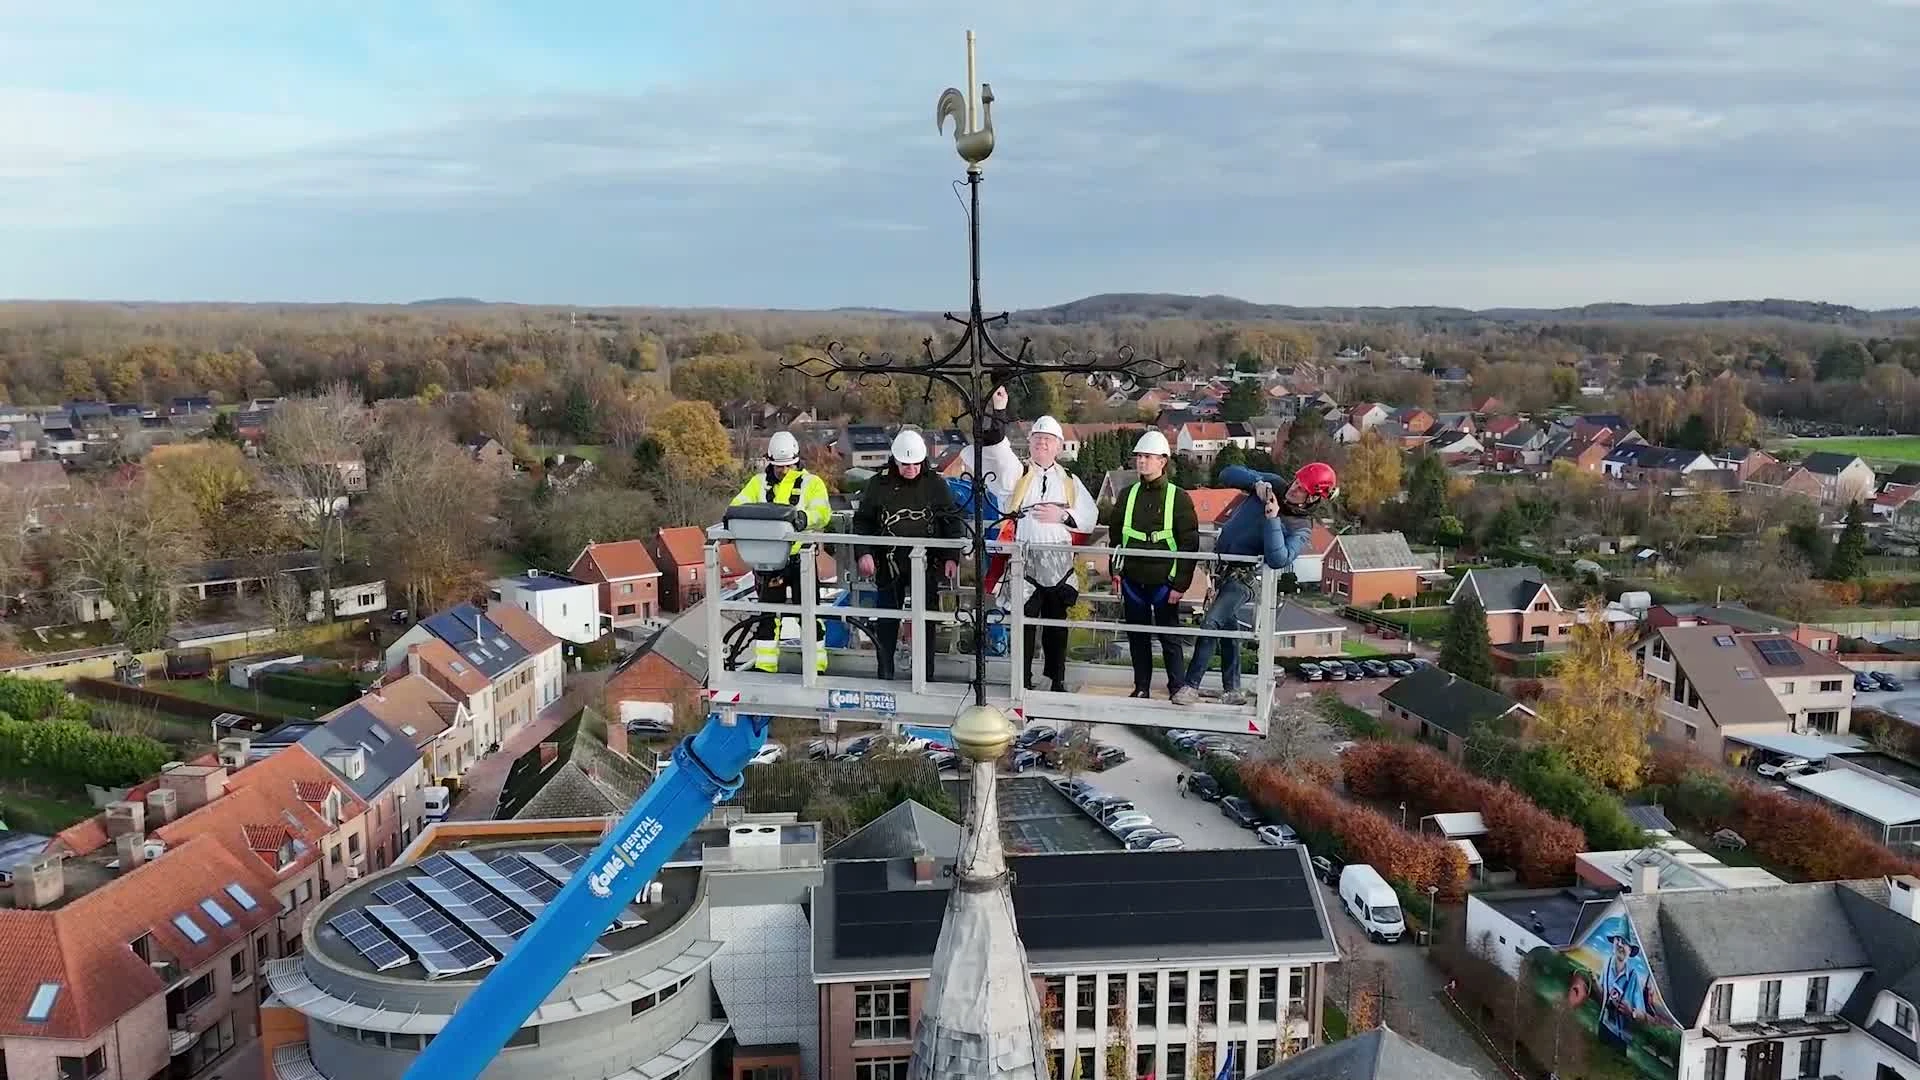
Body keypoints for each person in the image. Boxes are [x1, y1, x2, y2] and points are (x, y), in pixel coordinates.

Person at [1174, 461, 1337, 705]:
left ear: (1313, 498)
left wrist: (1272, 519)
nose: (1293, 488)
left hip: (1245, 578)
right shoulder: (1274, 484)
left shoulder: (1301, 527)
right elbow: (1227, 473)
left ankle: (1191, 686)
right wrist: (1256, 483)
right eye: (1296, 482)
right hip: (1222, 570)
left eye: (1301, 489)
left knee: (1211, 622)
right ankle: (1233, 690)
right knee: (1228, 630)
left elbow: (1279, 558)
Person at [978, 387, 1098, 692]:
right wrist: (1000, 409)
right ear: (1030, 443)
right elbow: (997, 450)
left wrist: (1063, 516)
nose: (1042, 443)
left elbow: (1090, 515)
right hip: (1025, 561)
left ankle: (1056, 679)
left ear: (1058, 446)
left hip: (1059, 565)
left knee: (1056, 626)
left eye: (1048, 440)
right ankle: (1022, 680)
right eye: (1038, 438)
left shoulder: (1070, 481)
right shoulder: (1018, 474)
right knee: (1024, 625)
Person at [851, 429, 964, 681]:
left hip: (927, 564)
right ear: (896, 461)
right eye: (905, 464)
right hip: (889, 562)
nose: (911, 469)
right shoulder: (879, 485)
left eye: (915, 464)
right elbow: (863, 522)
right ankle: (885, 672)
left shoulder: (935, 484)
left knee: (926, 621)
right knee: (887, 620)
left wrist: (951, 557)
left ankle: (925, 676)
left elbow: (951, 521)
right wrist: (863, 553)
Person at [1102, 429, 1199, 699]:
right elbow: (1116, 537)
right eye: (1139, 456)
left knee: (1169, 637)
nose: (1141, 461)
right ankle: (1141, 687)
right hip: (1133, 578)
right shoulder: (1127, 495)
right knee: (1137, 636)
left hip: (1164, 582)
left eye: (1147, 456)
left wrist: (1180, 585)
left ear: (1162, 461)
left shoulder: (1178, 498)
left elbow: (1189, 543)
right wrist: (1115, 572)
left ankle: (1176, 687)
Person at [730, 430, 832, 673]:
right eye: (779, 466)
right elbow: (737, 506)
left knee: (809, 614)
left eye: (788, 465)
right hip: (769, 559)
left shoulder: (811, 483)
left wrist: (804, 518)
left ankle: (816, 665)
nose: (784, 471)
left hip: (801, 558)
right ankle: (765, 665)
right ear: (771, 462)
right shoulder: (758, 484)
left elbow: (823, 513)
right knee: (768, 614)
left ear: (796, 461)